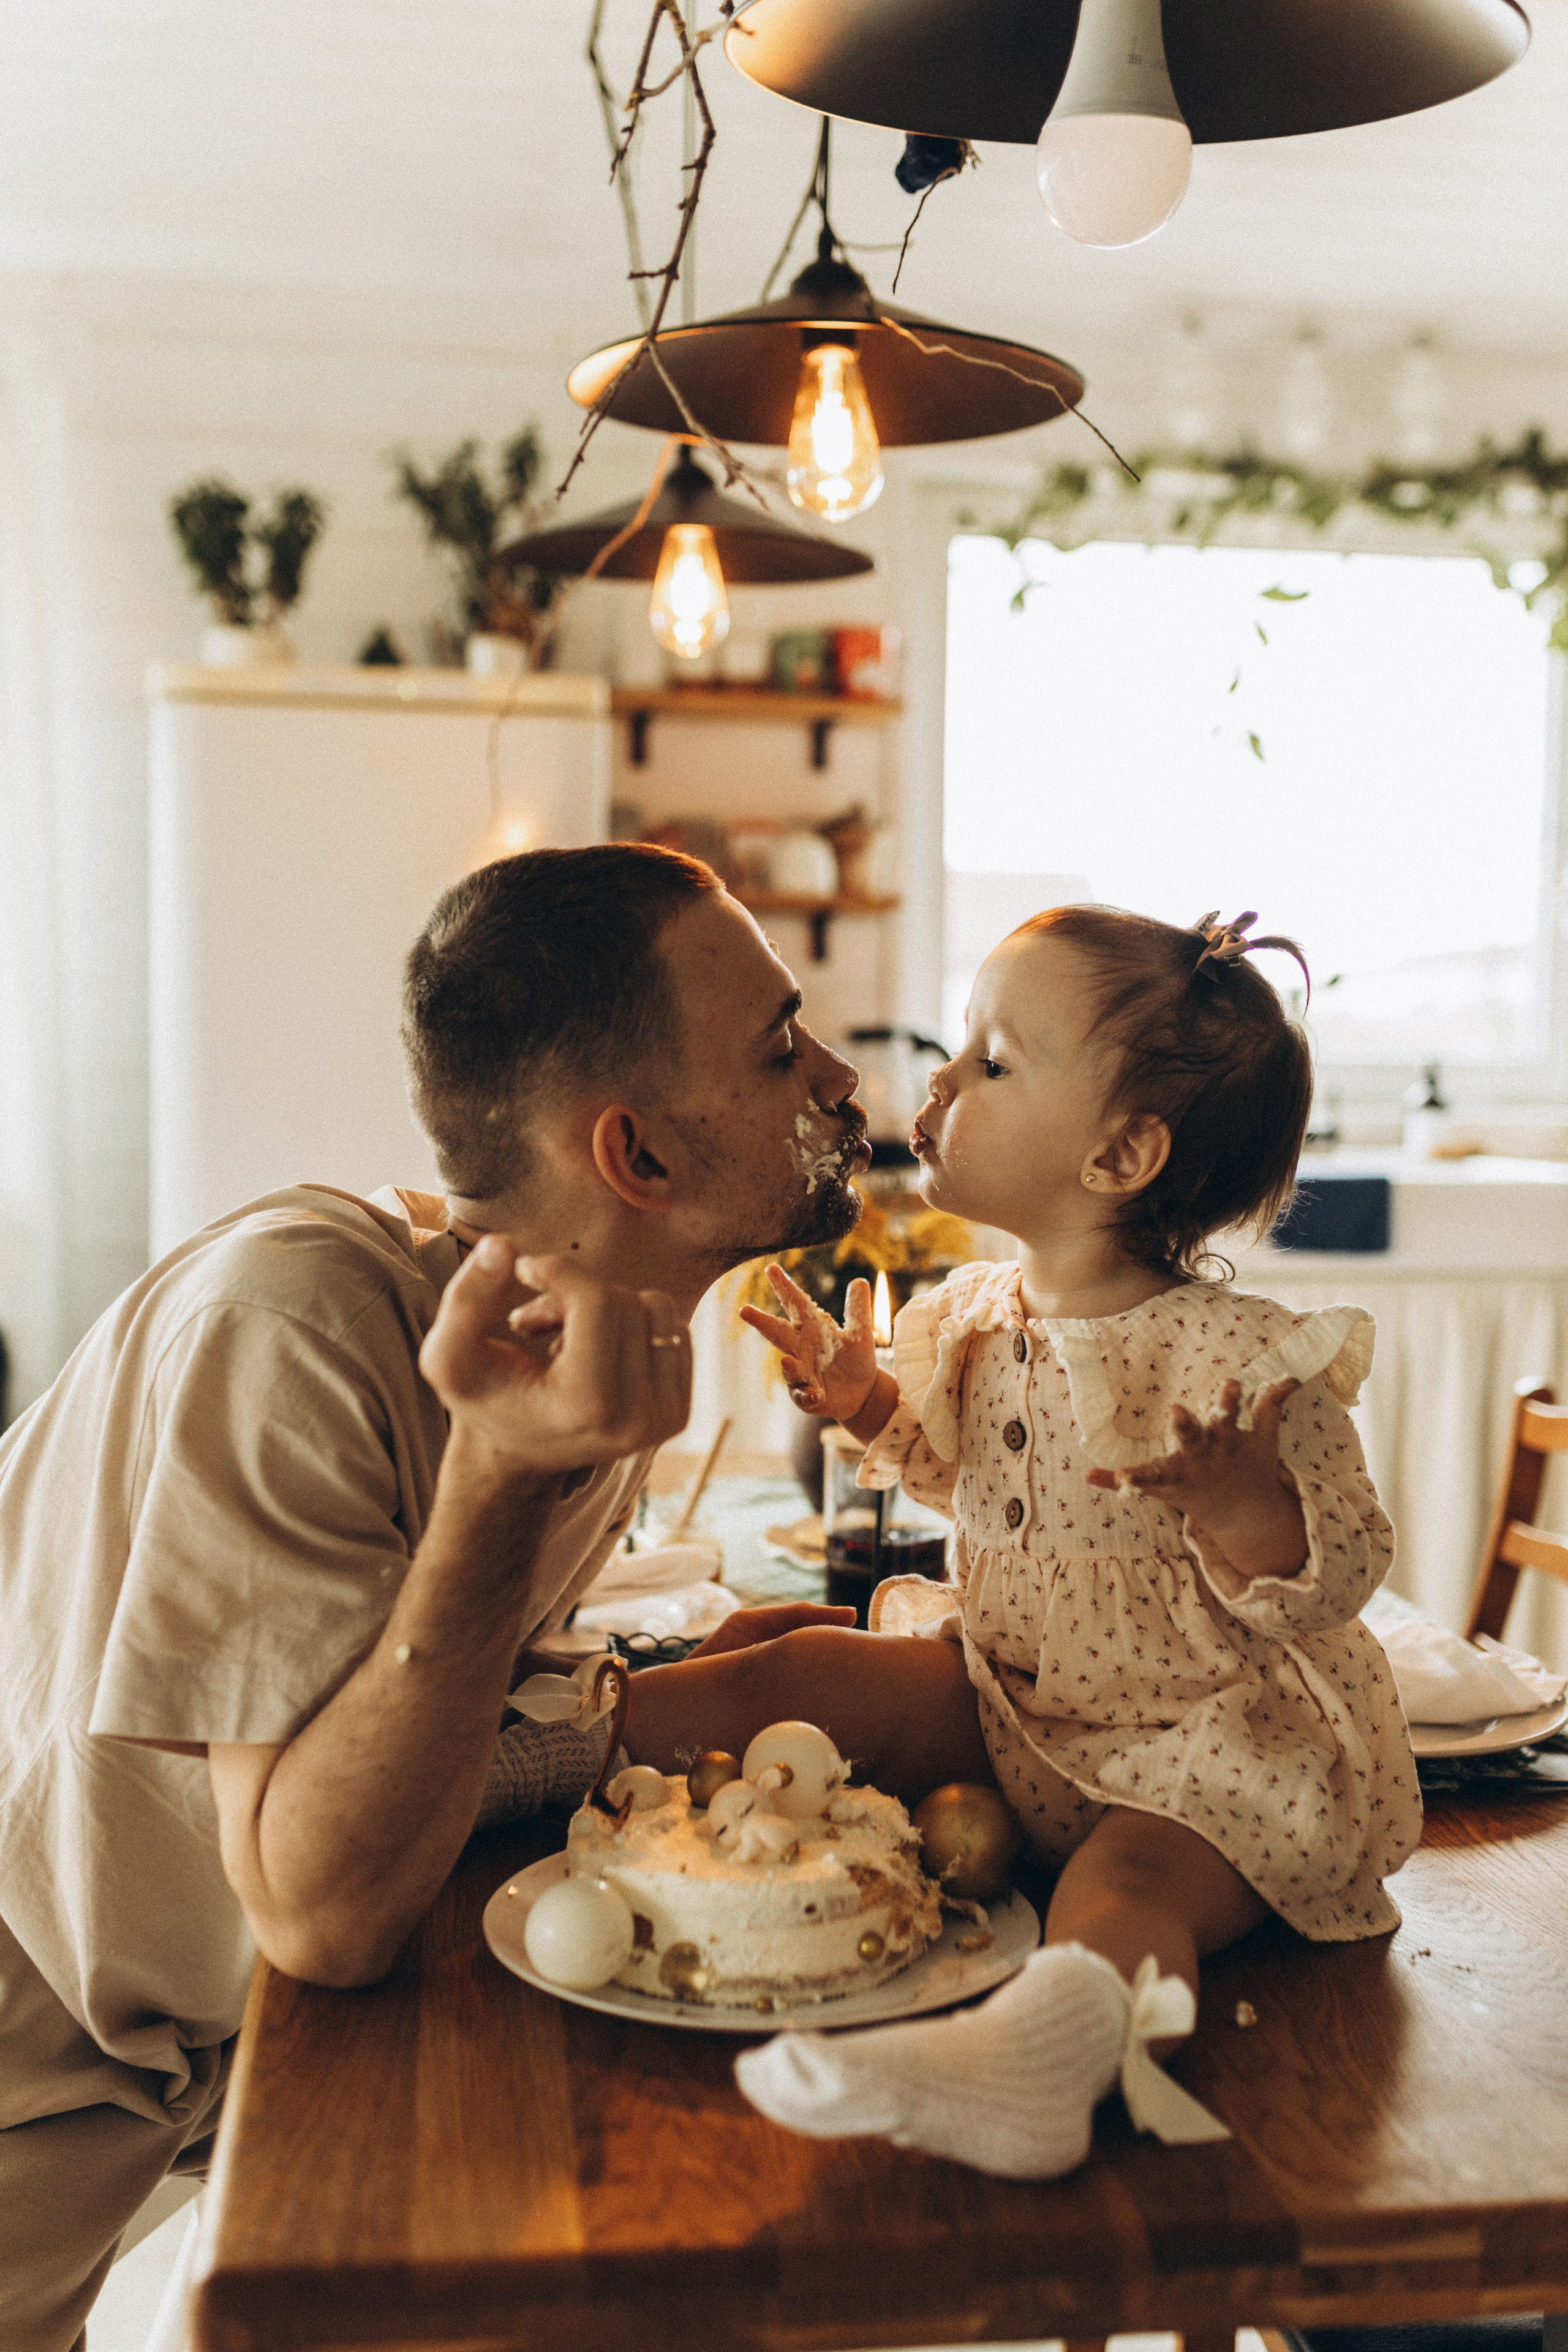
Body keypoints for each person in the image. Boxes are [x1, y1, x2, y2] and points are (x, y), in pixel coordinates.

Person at [0, 842, 864, 2352]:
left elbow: (403, 1723)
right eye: (781, 1044)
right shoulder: (294, 1322)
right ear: (637, 1160)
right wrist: (495, 1490)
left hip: (186, 2060)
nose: (840, 1081)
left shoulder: (579, 1351)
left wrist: (666, 1690)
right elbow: (319, 1910)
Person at [621, 905, 1421, 2180]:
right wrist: (870, 1403)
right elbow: (978, 1494)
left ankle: (1041, 2061)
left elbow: (1335, 1574)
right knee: (805, 1670)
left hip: (1198, 1756)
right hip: (1018, 1706)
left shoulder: (1233, 1362)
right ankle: (543, 1747)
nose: (940, 1079)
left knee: (1124, 1890)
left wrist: (1236, 1506)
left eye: (993, 1063)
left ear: (1119, 1155)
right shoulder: (977, 1314)